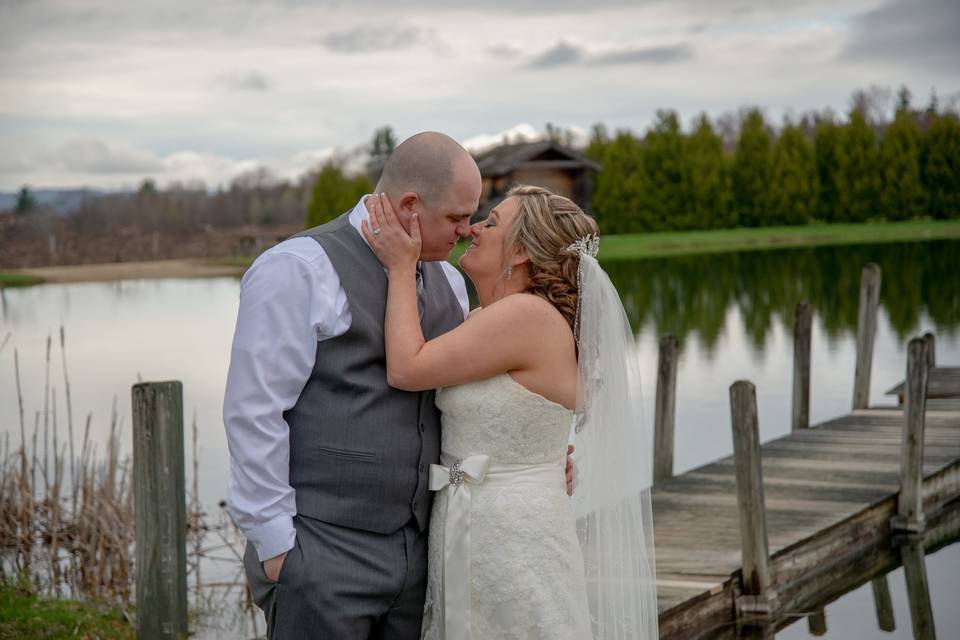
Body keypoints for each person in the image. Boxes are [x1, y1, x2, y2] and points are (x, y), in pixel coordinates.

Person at [223, 132, 575, 639]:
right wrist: (278, 548)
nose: (466, 230)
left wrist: (535, 456)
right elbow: (253, 414)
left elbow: (489, 387)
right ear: (410, 205)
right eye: (456, 217)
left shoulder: (451, 283)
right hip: (324, 554)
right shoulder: (298, 270)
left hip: (426, 556)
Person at [363, 185, 658, 639]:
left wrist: (401, 266)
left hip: (509, 537)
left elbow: (406, 368)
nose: (474, 228)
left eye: (491, 222)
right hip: (481, 524)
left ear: (520, 252)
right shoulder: (493, 316)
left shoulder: (525, 316)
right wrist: (542, 461)